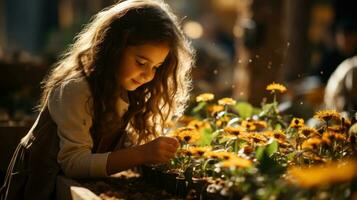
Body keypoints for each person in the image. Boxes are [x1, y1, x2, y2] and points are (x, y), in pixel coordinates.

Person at [0, 0, 194, 199]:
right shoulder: (77, 89)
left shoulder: (127, 91)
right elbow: (73, 163)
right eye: (141, 62)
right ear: (114, 46)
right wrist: (142, 153)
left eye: (156, 67)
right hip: (39, 187)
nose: (148, 75)